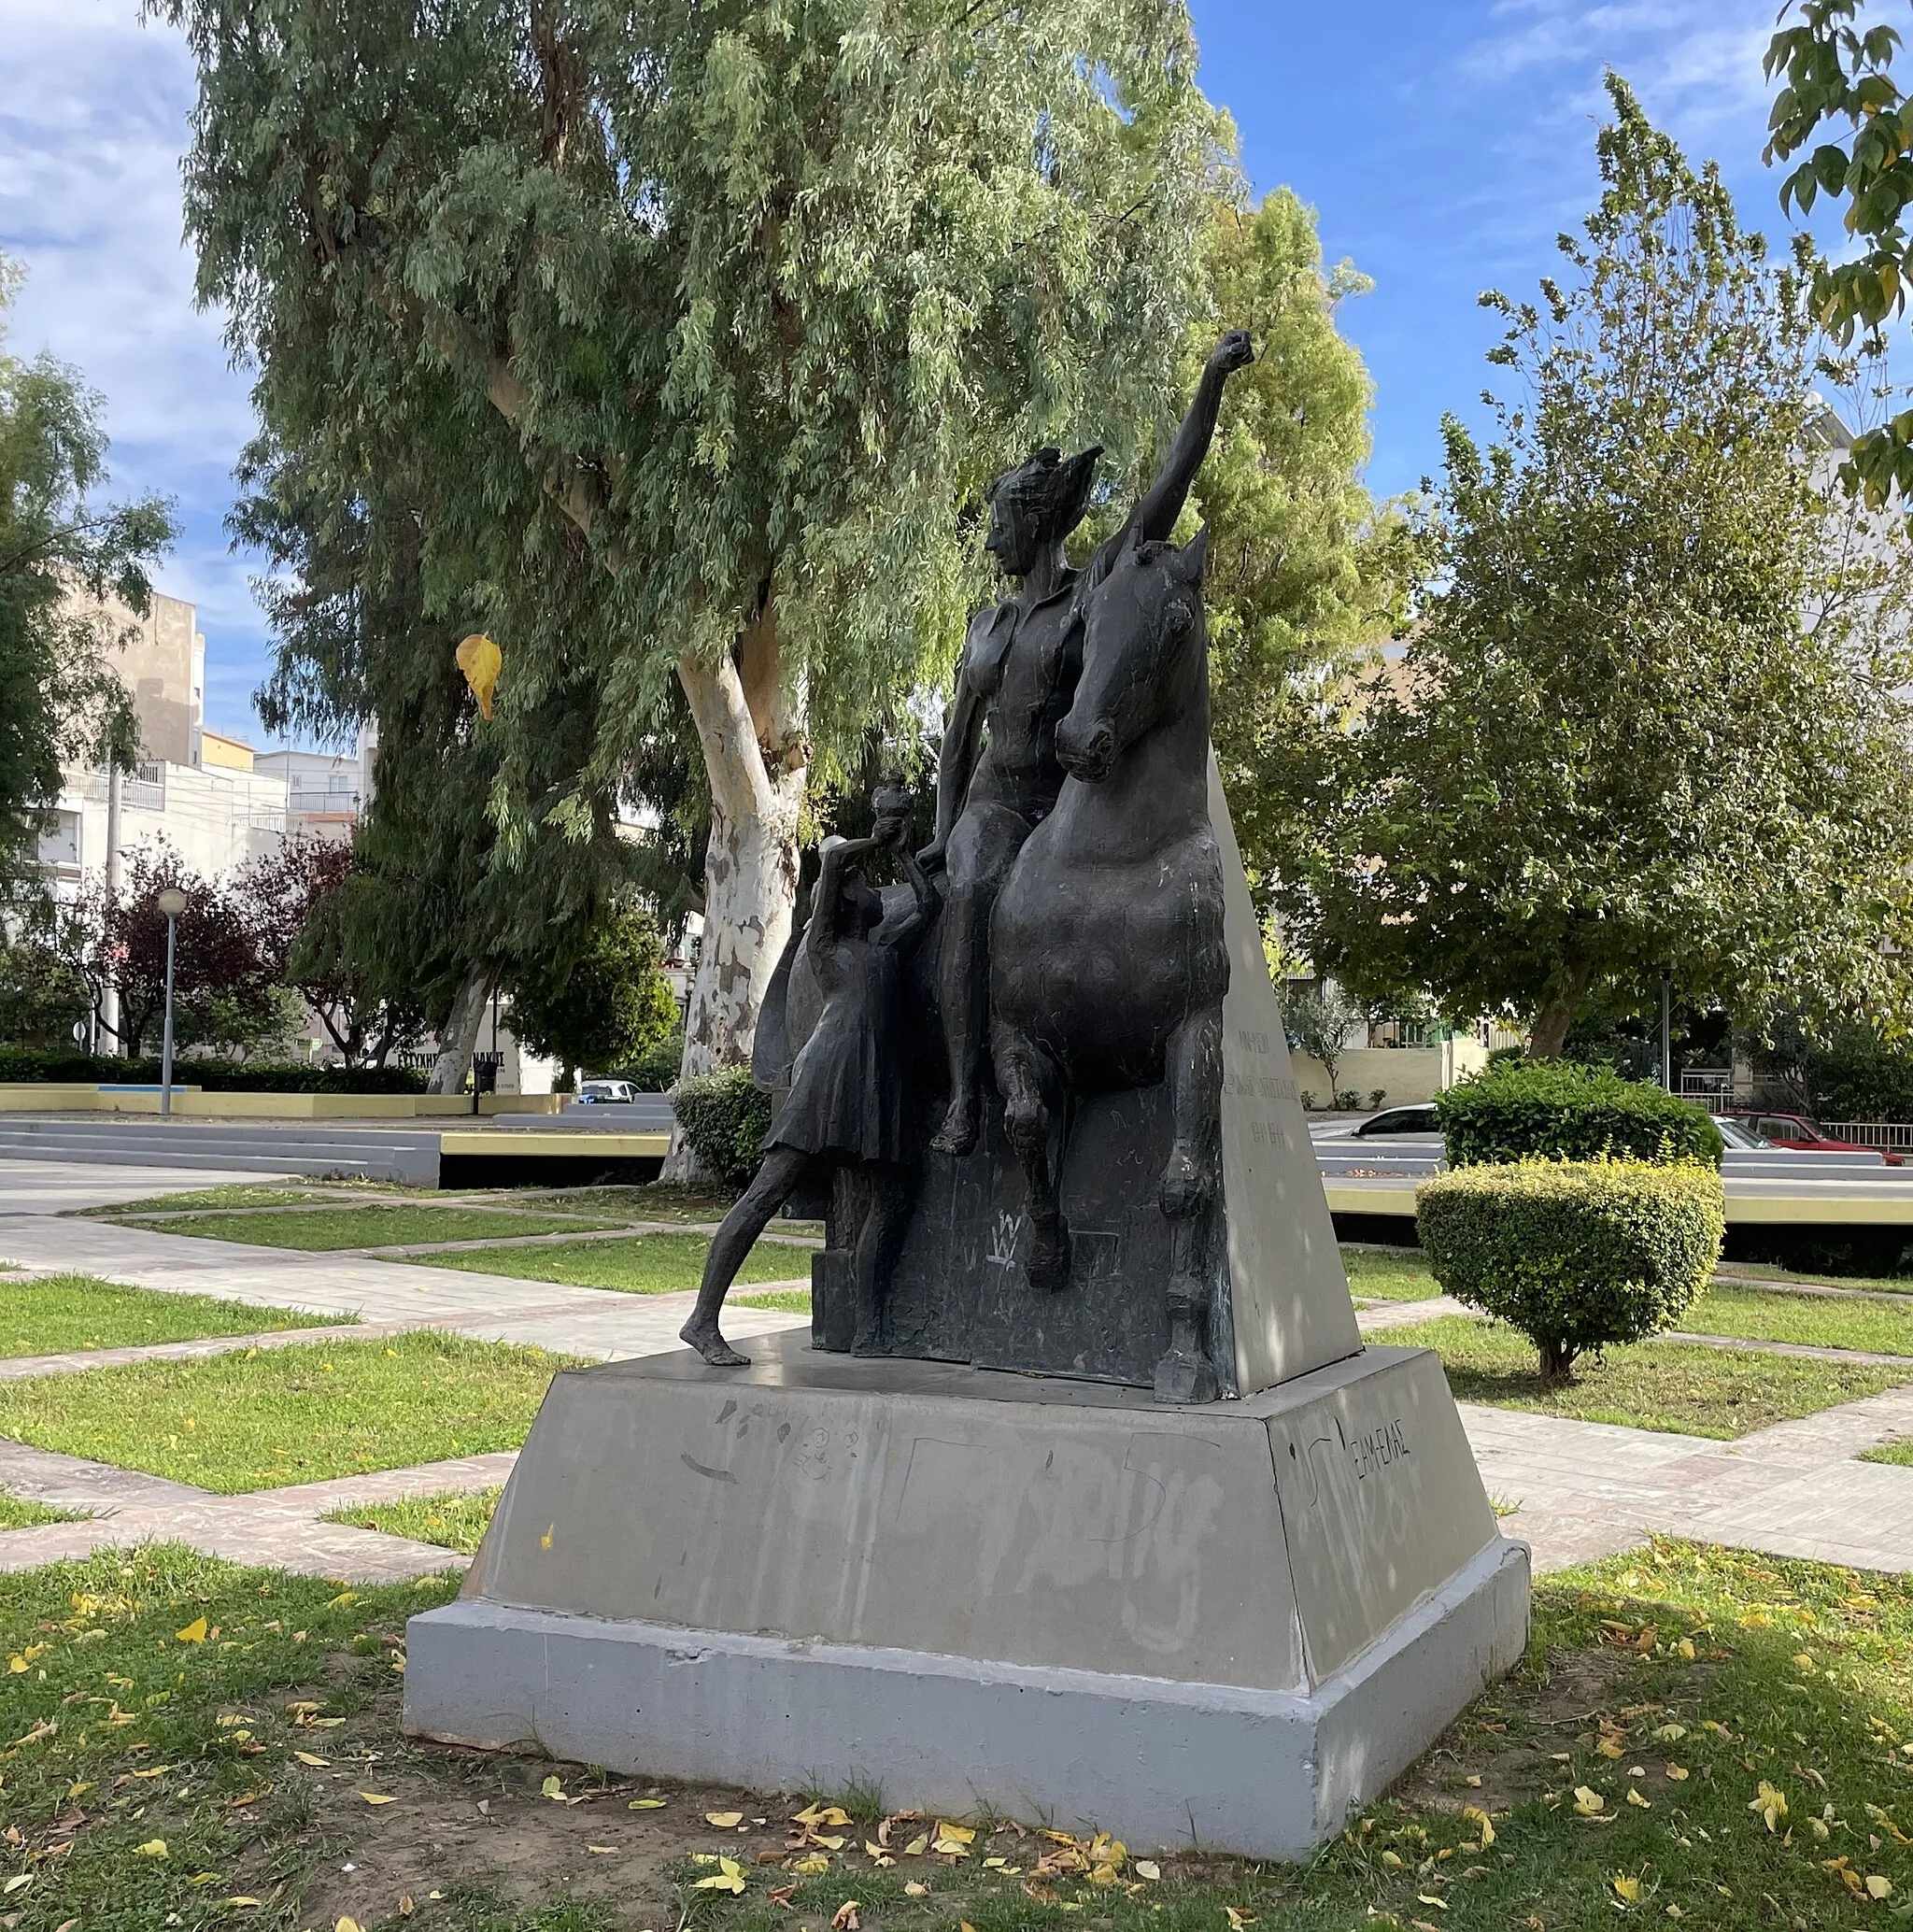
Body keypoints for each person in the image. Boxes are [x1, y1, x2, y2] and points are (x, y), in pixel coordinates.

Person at [919, 330, 1256, 1157]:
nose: (990, 536)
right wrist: (941, 833)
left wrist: (1208, 384)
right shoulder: (986, 628)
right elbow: (957, 744)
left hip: (1071, 800)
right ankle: (968, 1095)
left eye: (999, 521)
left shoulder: (1091, 592)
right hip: (1002, 808)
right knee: (971, 885)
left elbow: (1167, 490)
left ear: (1033, 524)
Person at [680, 783, 939, 1367]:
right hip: (826, 1077)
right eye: (858, 886)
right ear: (841, 898)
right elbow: (832, 857)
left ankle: (871, 1324)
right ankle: (702, 1318)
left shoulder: (886, 949)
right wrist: (875, 837)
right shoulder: (823, 945)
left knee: (892, 1198)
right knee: (768, 1190)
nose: (866, 889)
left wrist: (901, 854)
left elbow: (929, 907)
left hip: (875, 1082)